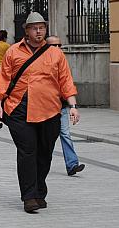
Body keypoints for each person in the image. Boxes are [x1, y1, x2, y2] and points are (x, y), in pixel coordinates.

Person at [0, 13, 79, 213]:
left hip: (49, 110)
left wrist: (73, 106)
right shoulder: (13, 52)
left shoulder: (55, 54)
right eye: (35, 28)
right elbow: (3, 79)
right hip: (18, 110)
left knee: (45, 152)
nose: (39, 31)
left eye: (42, 28)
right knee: (27, 152)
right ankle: (29, 197)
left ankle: (39, 189)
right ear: (27, 31)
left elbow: (66, 80)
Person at [46, 35, 85, 177]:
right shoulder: (41, 63)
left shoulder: (62, 63)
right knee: (47, 139)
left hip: (61, 107)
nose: (57, 49)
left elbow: (68, 85)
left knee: (66, 135)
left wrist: (73, 106)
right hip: (45, 109)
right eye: (53, 46)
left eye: (59, 45)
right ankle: (41, 164)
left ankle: (72, 165)